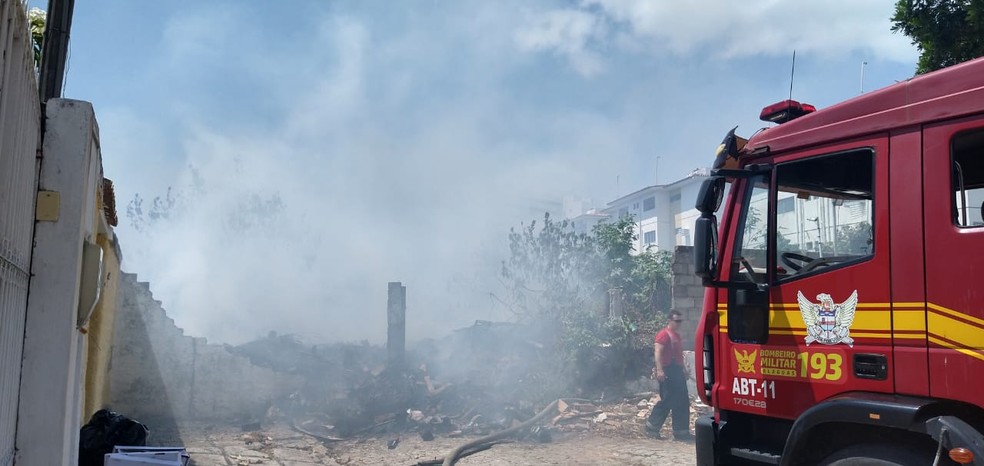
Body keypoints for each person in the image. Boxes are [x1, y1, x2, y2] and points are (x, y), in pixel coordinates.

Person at [645, 310, 693, 442]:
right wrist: (660, 370)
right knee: (668, 399)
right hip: (668, 370)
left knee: (682, 401)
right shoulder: (663, 334)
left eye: (680, 321)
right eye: (676, 321)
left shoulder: (676, 336)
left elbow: (679, 355)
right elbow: (658, 352)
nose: (679, 324)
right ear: (670, 321)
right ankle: (651, 428)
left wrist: (684, 369)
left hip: (677, 370)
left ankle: (681, 432)